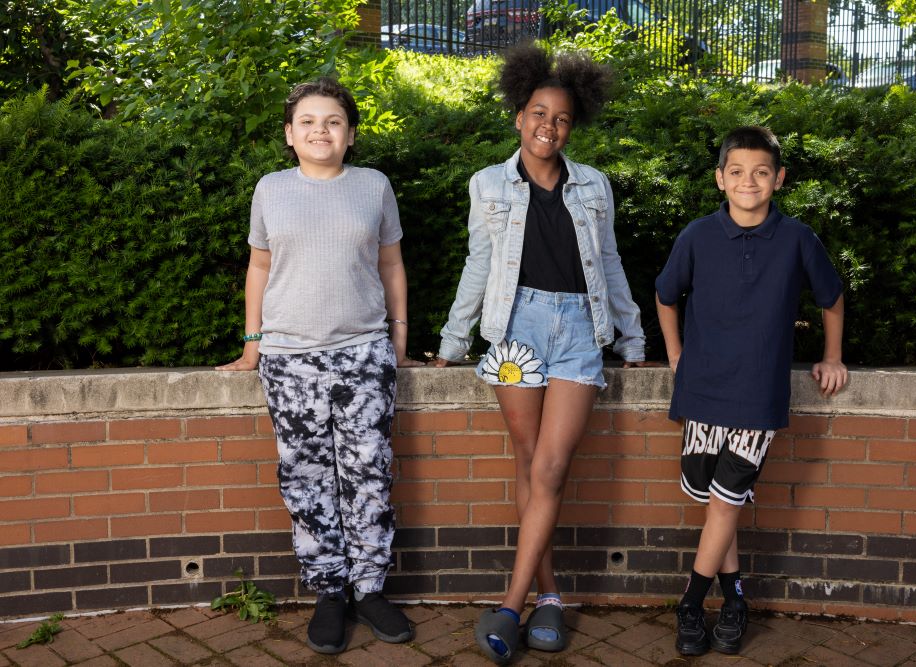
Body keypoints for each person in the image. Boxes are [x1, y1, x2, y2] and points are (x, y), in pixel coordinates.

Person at [432, 42, 655, 664]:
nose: (547, 126)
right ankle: (550, 598)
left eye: (559, 118)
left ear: (571, 124)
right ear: (517, 115)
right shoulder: (488, 184)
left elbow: (606, 264)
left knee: (551, 469)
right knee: (530, 461)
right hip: (515, 328)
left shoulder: (594, 186)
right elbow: (480, 265)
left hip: (579, 329)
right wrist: (454, 341)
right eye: (536, 113)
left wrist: (632, 337)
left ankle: (509, 605)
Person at [216, 76, 422, 655]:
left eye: (332, 121)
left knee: (368, 476)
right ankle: (330, 592)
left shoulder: (373, 187)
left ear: (351, 134)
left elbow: (391, 265)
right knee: (306, 481)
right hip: (287, 360)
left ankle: (370, 588)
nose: (320, 131)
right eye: (307, 121)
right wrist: (253, 344)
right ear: (289, 134)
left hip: (363, 354)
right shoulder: (271, 190)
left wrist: (399, 339)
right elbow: (259, 268)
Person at [655, 125, 848, 656]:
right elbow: (665, 295)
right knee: (720, 503)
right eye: (736, 172)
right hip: (701, 391)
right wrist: (675, 354)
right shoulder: (696, 235)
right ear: (720, 179)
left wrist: (831, 356)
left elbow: (831, 299)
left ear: (779, 179)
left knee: (722, 505)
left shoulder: (798, 239)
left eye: (761, 172)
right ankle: (736, 600)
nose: (749, 181)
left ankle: (690, 605)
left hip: (757, 397)